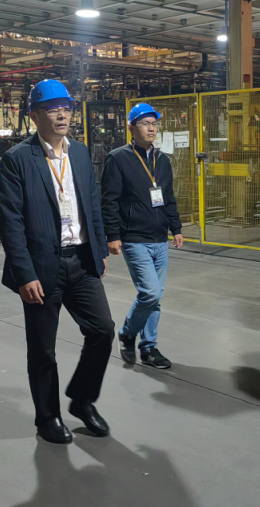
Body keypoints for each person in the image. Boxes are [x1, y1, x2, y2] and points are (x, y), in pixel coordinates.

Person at [0, 79, 115, 444]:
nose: (62, 114)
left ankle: (81, 399)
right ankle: (47, 418)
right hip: (41, 268)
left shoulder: (79, 153)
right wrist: (24, 274)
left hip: (82, 261)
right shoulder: (18, 159)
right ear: (34, 116)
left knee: (102, 330)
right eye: (52, 109)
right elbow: (11, 223)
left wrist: (98, 250)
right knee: (43, 350)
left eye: (66, 107)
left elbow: (92, 204)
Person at [101, 102, 183, 370]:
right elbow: (109, 201)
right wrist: (112, 235)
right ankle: (127, 333)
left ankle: (148, 348)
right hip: (134, 238)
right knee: (150, 292)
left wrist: (176, 227)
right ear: (131, 128)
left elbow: (168, 197)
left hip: (160, 238)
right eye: (145, 123)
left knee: (155, 298)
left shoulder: (163, 160)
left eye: (154, 123)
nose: (151, 128)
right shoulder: (118, 159)